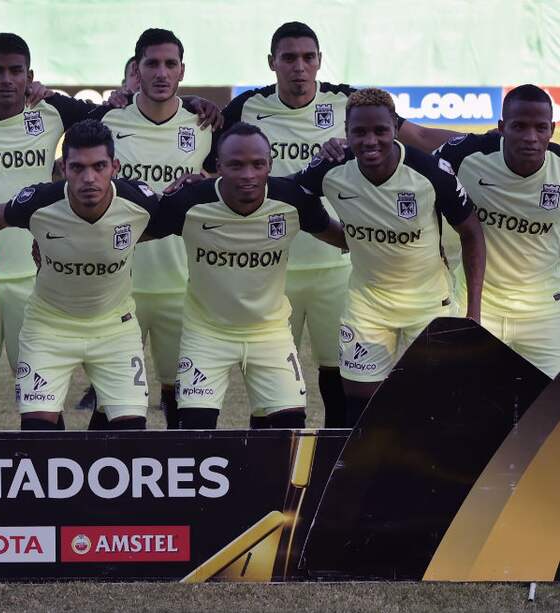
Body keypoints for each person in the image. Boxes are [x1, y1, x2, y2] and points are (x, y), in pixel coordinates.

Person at [0, 33, 219, 392]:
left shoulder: (54, 112)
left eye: (15, 71)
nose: (7, 79)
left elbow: (131, 112)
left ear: (29, 75)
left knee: (40, 393)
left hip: (34, 277)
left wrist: (191, 100)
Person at [214, 21, 461, 427]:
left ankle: (335, 472)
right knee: (270, 386)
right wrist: (192, 102)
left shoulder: (348, 104)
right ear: (271, 62)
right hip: (274, 269)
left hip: (336, 268)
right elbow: (210, 157)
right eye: (289, 58)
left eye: (308, 57)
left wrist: (490, 142)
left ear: (319, 62)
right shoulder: (247, 107)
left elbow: (418, 134)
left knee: (338, 380)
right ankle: (274, 477)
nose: (299, 67)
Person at [293, 88, 486, 426]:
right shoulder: (332, 167)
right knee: (359, 409)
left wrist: (473, 310)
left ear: (395, 128)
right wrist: (344, 238)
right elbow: (294, 198)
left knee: (435, 405)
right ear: (346, 131)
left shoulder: (429, 172)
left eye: (380, 130)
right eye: (359, 132)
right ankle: (363, 478)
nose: (370, 141)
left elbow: (471, 233)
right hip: (368, 304)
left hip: (429, 304)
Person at [151, 122, 344, 429]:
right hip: (207, 335)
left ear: (270, 164)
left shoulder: (291, 200)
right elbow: (127, 232)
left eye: (258, 164)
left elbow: (346, 239)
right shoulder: (189, 203)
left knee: (290, 428)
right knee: (195, 428)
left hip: (269, 333)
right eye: (236, 165)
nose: (248, 175)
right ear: (218, 167)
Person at [0, 119, 164, 431]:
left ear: (115, 166)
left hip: (114, 328)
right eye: (77, 168)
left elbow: (185, 217)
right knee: (39, 436)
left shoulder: (139, 202)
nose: (89, 178)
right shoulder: (39, 203)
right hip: (48, 327)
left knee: (130, 435)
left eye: (99, 166)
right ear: (63, 167)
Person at [87, 28, 215, 427]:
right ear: (136, 70)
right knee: (113, 408)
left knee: (183, 405)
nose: (161, 73)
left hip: (184, 285)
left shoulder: (204, 123)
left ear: (182, 71)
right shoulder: (107, 122)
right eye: (152, 64)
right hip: (118, 287)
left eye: (170, 64)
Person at [435, 84, 560, 378]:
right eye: (519, 126)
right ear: (502, 127)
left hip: (543, 314)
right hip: (476, 305)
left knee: (548, 412)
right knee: (465, 400)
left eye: (540, 127)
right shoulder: (464, 156)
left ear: (552, 129)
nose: (530, 137)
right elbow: (415, 177)